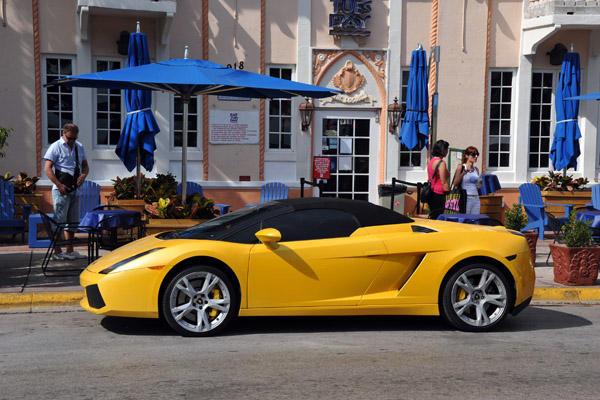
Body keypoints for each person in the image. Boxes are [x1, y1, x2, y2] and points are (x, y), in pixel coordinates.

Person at [43, 123, 89, 260]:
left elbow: (85, 166)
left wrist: (83, 175)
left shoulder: (79, 147)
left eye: (74, 139)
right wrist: (59, 184)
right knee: (59, 221)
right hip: (60, 189)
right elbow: (47, 168)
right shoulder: (55, 146)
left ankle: (70, 250)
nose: (71, 141)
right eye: (69, 138)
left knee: (73, 221)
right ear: (63, 133)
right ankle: (57, 252)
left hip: (76, 189)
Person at [452, 146, 482, 214]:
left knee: (474, 221)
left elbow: (477, 187)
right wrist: (462, 174)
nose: (476, 156)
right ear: (467, 156)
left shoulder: (476, 169)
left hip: (476, 198)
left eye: (477, 154)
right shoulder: (461, 167)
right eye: (473, 155)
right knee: (465, 220)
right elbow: (455, 183)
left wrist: (480, 183)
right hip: (466, 198)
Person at [427, 139, 450, 214]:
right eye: (446, 149)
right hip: (440, 194)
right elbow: (444, 182)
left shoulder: (432, 161)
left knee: (434, 216)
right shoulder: (441, 163)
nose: (447, 151)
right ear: (442, 150)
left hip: (432, 192)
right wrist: (449, 195)